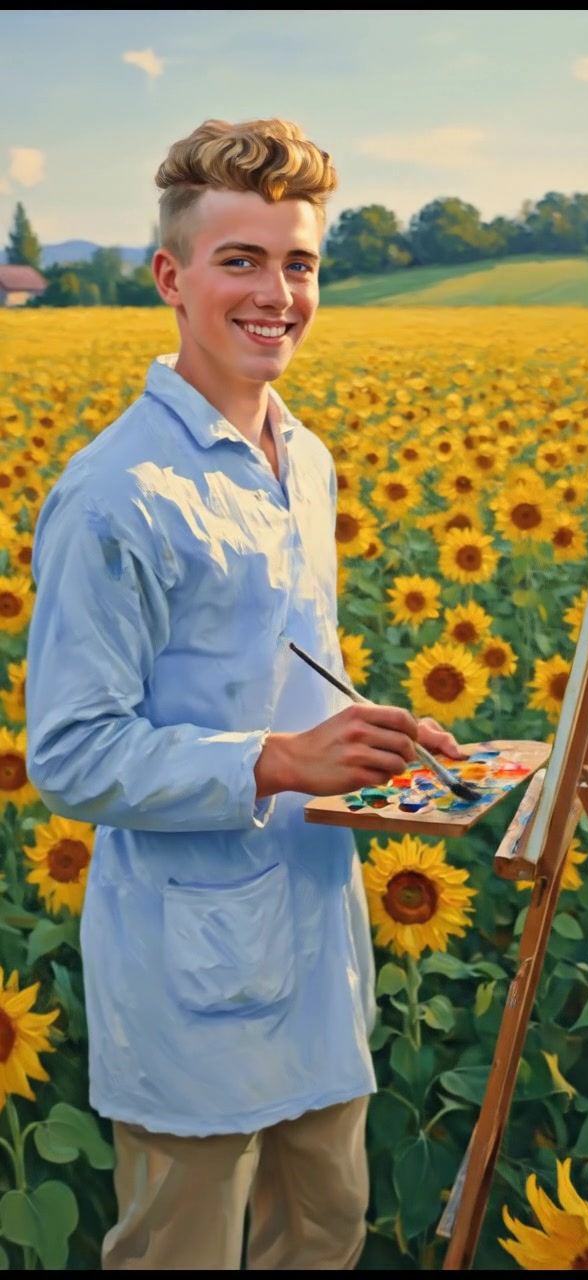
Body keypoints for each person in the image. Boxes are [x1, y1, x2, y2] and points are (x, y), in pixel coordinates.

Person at [25, 117, 462, 1271]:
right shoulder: (115, 491)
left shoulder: (302, 457)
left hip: (318, 936)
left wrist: (378, 736)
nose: (278, 293)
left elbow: (284, 662)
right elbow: (69, 752)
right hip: (186, 967)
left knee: (324, 1231)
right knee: (185, 1249)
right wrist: (275, 759)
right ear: (171, 278)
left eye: (300, 262)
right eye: (242, 260)